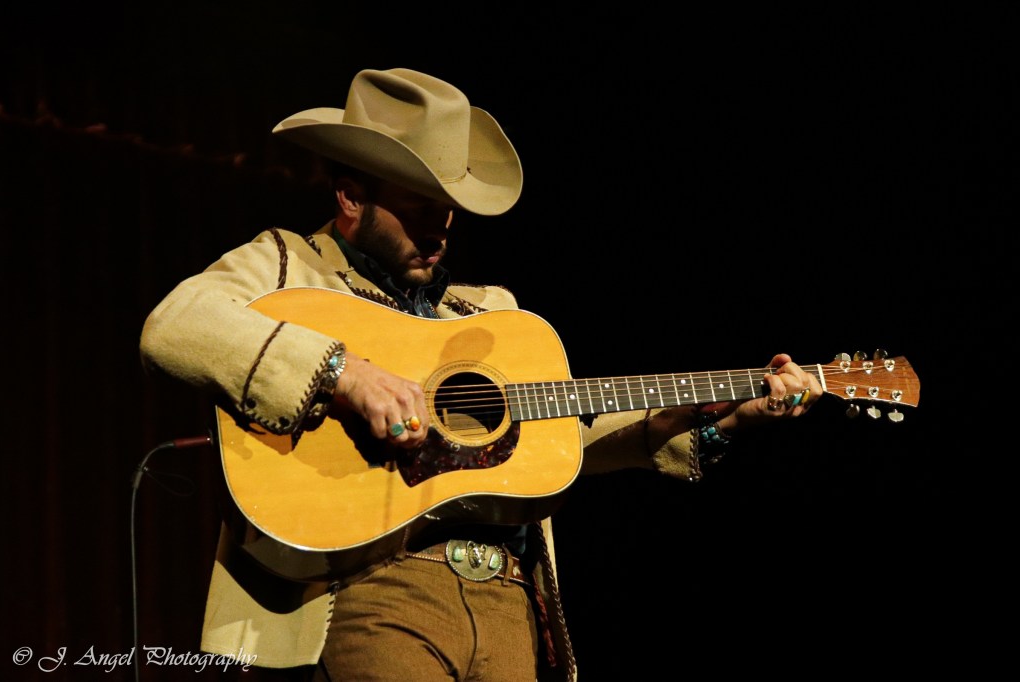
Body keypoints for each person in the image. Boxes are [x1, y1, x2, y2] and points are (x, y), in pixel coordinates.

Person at [139, 67, 823, 681]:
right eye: (416, 209)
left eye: (448, 212)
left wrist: (718, 418)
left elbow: (549, 449)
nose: (440, 233)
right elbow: (176, 325)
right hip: (372, 592)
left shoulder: (490, 313)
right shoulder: (288, 265)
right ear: (350, 196)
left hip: (509, 606)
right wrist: (346, 375)